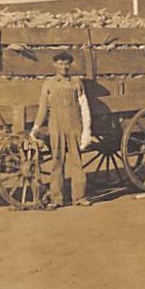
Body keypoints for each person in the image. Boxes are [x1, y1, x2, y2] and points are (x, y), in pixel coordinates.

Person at [29, 51, 93, 210]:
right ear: (55, 65)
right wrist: (36, 127)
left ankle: (79, 197)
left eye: (66, 64)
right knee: (57, 160)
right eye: (60, 63)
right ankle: (56, 198)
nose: (63, 67)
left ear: (70, 65)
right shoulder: (49, 84)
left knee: (77, 161)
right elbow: (43, 107)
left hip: (74, 125)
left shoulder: (76, 82)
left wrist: (87, 130)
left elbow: (84, 106)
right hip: (56, 126)